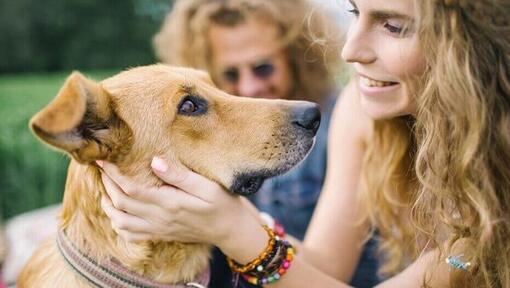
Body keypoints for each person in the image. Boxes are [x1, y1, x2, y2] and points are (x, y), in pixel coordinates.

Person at [99, 0, 510, 287]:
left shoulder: (497, 175)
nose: (350, 50)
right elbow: (325, 263)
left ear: (470, 42)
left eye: (393, 25)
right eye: (354, 12)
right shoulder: (362, 112)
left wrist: (233, 228)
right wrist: (224, 217)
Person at [151, 1, 379, 287]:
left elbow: (331, 271)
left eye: (263, 68)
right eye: (231, 75)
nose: (249, 87)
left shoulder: (344, 119)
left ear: (296, 57)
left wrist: (231, 222)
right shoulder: (211, 136)